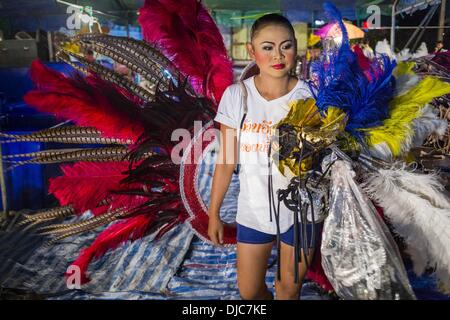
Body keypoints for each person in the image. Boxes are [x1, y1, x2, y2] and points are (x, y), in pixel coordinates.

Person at [207, 13, 320, 300]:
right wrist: (214, 214)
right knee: (249, 291)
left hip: (302, 210)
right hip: (253, 210)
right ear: (252, 51)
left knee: (287, 289)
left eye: (286, 46)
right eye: (268, 47)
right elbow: (226, 161)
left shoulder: (313, 97)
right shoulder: (236, 96)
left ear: (296, 47)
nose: (278, 55)